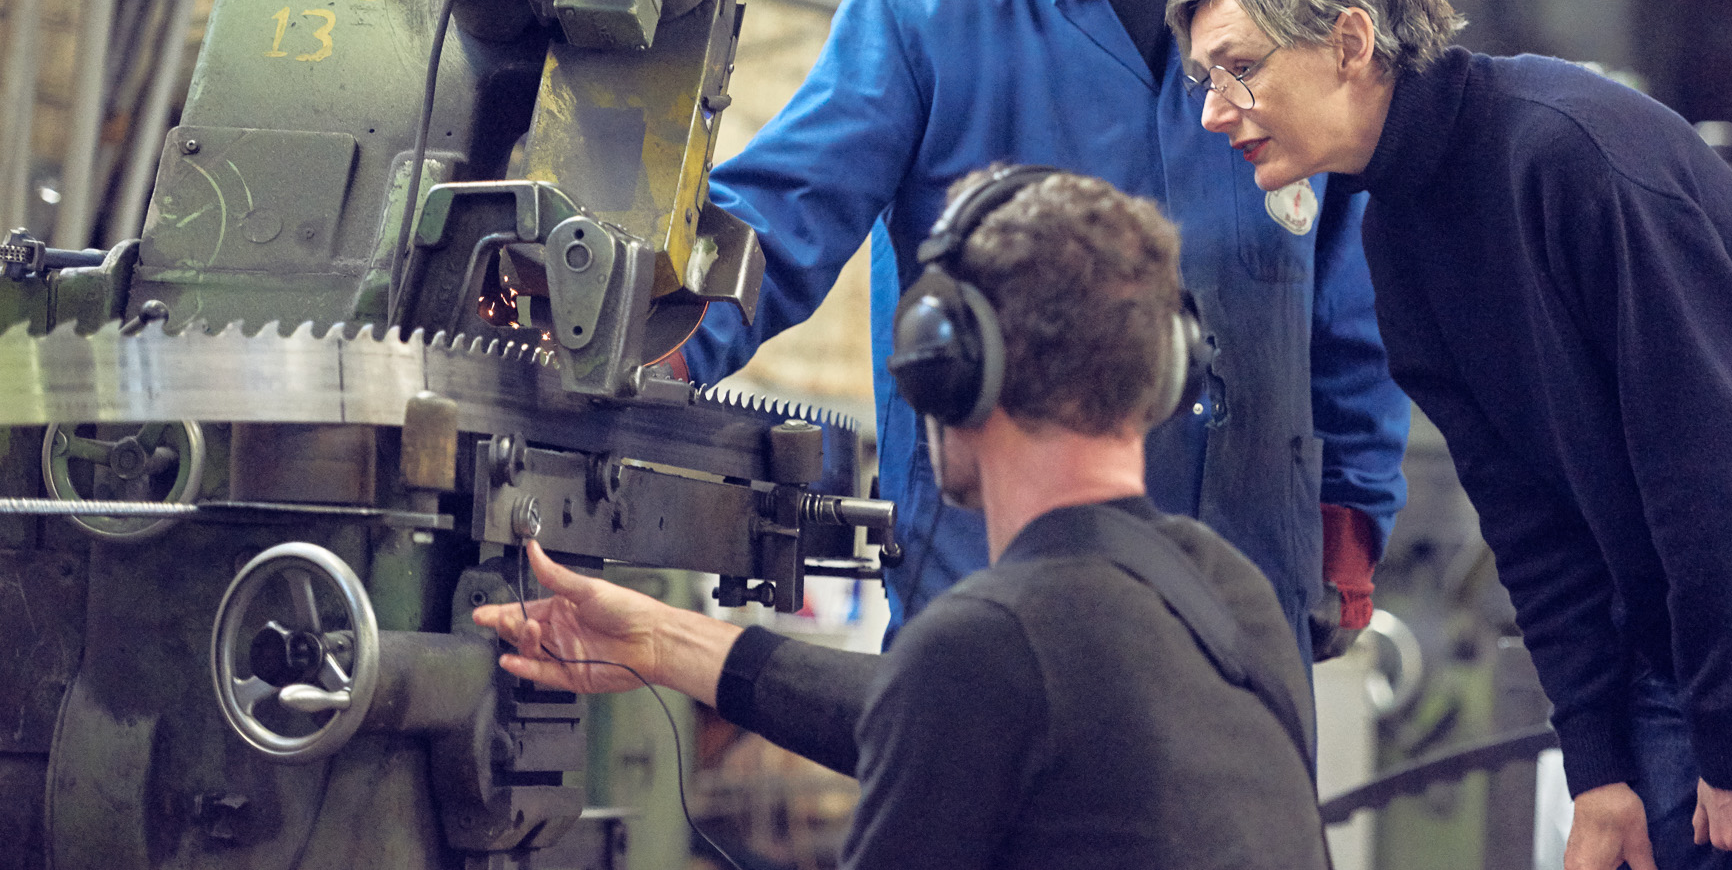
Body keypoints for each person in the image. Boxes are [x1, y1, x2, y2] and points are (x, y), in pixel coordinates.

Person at [1166, 0, 1732, 870]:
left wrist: (1731, 749)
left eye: (1239, 68)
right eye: (1203, 79)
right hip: (1695, 587)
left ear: (1349, 42)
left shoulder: (1570, 156)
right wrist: (1597, 767)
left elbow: (1706, 467)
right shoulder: (1400, 234)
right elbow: (1525, 516)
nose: (1213, 110)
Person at [681, 0, 1409, 664]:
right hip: (988, 582)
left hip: (1246, 580)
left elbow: (1357, 292)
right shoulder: (922, 12)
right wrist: (659, 336)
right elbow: (780, 216)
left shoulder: (1293, 8)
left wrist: (1350, 518)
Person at [478, 168, 1331, 869]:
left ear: (943, 365)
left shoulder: (988, 645)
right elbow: (935, 712)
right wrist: (662, 640)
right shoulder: (1228, 596)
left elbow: (953, 695)